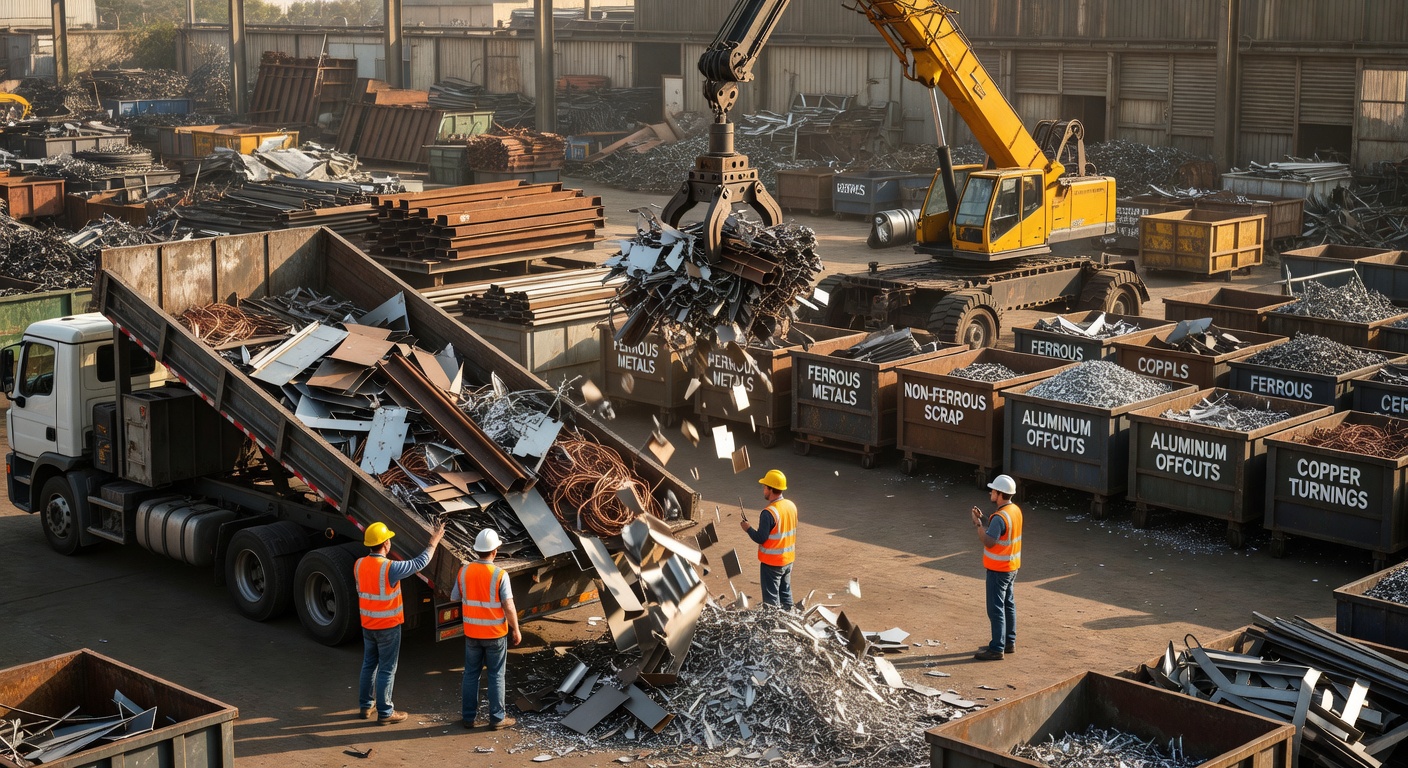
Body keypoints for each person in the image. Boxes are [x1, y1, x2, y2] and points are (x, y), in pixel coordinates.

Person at [356, 520, 445, 724]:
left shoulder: (359, 564)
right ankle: (386, 712)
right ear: (386, 544)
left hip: (368, 625)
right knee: (387, 668)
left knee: (369, 664)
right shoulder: (390, 568)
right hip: (387, 627)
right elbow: (420, 563)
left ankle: (365, 705)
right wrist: (434, 541)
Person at [453, 528, 521, 730]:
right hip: (495, 635)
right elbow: (508, 606)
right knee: (496, 676)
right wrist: (516, 629)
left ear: (476, 550)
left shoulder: (464, 570)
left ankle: (468, 718)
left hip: (472, 633)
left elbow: (454, 597)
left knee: (470, 675)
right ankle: (497, 718)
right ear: (495, 551)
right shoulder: (500, 575)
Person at [971, 474, 1022, 661]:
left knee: (995, 609)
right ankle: (1009, 642)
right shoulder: (1014, 510)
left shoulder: (999, 517)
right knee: (1008, 604)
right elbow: (1000, 532)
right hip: (1011, 567)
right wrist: (985, 520)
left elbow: (989, 541)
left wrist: (978, 524)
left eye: (993, 490)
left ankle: (997, 648)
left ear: (1000, 494)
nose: (991, 492)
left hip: (998, 569)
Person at [739, 469, 796, 609]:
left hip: (772, 563)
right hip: (788, 560)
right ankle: (791, 621)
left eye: (765, 487)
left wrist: (748, 529)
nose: (763, 490)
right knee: (785, 594)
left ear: (770, 489)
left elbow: (761, 538)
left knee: (771, 601)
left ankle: (772, 627)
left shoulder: (768, 513)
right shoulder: (791, 505)